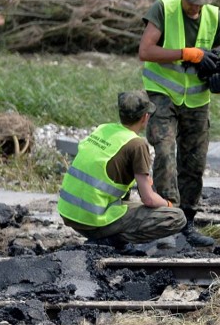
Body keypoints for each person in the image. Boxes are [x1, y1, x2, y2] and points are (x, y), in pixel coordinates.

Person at [138, 0, 220, 247]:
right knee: (165, 152)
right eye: (191, 1)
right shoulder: (163, 9)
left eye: (201, 2)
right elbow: (145, 51)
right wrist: (185, 53)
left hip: (197, 102)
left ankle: (187, 222)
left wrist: (219, 80)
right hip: (163, 94)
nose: (196, 7)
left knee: (194, 163)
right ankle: (166, 219)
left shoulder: (216, 17)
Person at [58, 91, 187, 248]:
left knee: (127, 199)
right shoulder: (137, 144)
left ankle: (107, 237)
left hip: (69, 213)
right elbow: (149, 198)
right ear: (145, 117)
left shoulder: (103, 129)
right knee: (177, 217)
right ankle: (110, 241)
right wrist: (169, 205)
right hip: (93, 221)